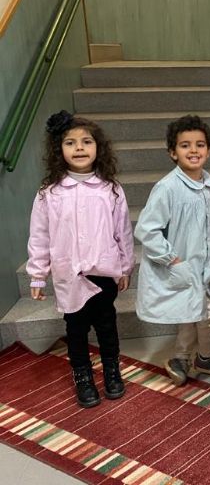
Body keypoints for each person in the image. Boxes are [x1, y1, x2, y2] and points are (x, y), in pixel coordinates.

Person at [27, 111, 134, 408]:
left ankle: (111, 370)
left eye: (86, 141)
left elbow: (123, 232)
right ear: (59, 149)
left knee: (106, 325)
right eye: (70, 142)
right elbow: (39, 236)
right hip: (69, 274)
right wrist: (38, 274)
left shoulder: (111, 190)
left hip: (103, 271)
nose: (79, 148)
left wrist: (125, 267)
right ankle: (83, 376)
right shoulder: (49, 194)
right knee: (76, 330)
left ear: (98, 147)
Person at [135, 115, 210, 386]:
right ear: (172, 152)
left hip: (204, 266)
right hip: (184, 265)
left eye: (200, 145)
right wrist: (172, 259)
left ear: (209, 150)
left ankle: (186, 357)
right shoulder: (167, 188)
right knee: (205, 312)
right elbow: (147, 229)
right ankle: (202, 356)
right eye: (185, 145)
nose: (193, 150)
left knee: (197, 312)